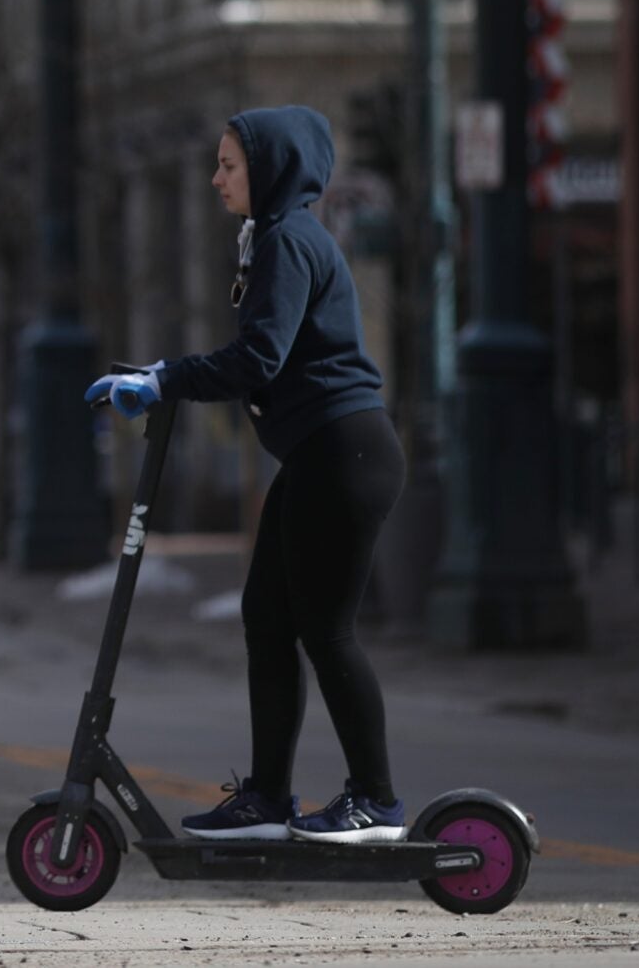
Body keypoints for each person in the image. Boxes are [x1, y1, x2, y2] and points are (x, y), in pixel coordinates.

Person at [85, 106, 405, 844]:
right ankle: (266, 796)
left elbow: (256, 358)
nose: (215, 177)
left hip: (344, 451)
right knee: (267, 617)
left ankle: (377, 801)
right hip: (318, 453)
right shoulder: (272, 239)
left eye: (229, 164)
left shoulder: (290, 240)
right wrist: (167, 378)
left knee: (326, 630)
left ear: (269, 168)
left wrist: (165, 378)